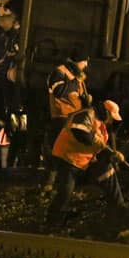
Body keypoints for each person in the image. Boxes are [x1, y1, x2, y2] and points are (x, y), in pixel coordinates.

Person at [45, 99, 127, 228]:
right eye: (112, 117)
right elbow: (80, 133)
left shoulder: (103, 126)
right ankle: (53, 221)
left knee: (107, 172)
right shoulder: (87, 114)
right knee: (65, 191)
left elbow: (100, 149)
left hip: (83, 161)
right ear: (106, 112)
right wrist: (97, 142)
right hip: (67, 158)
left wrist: (112, 155)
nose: (112, 121)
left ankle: (119, 208)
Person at [42, 49, 91, 190]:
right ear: (79, 61)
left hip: (73, 118)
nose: (86, 65)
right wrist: (76, 82)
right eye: (84, 62)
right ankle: (49, 183)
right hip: (61, 117)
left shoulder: (76, 76)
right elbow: (58, 91)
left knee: (68, 152)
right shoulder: (60, 72)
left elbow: (76, 95)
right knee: (56, 149)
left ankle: (62, 183)